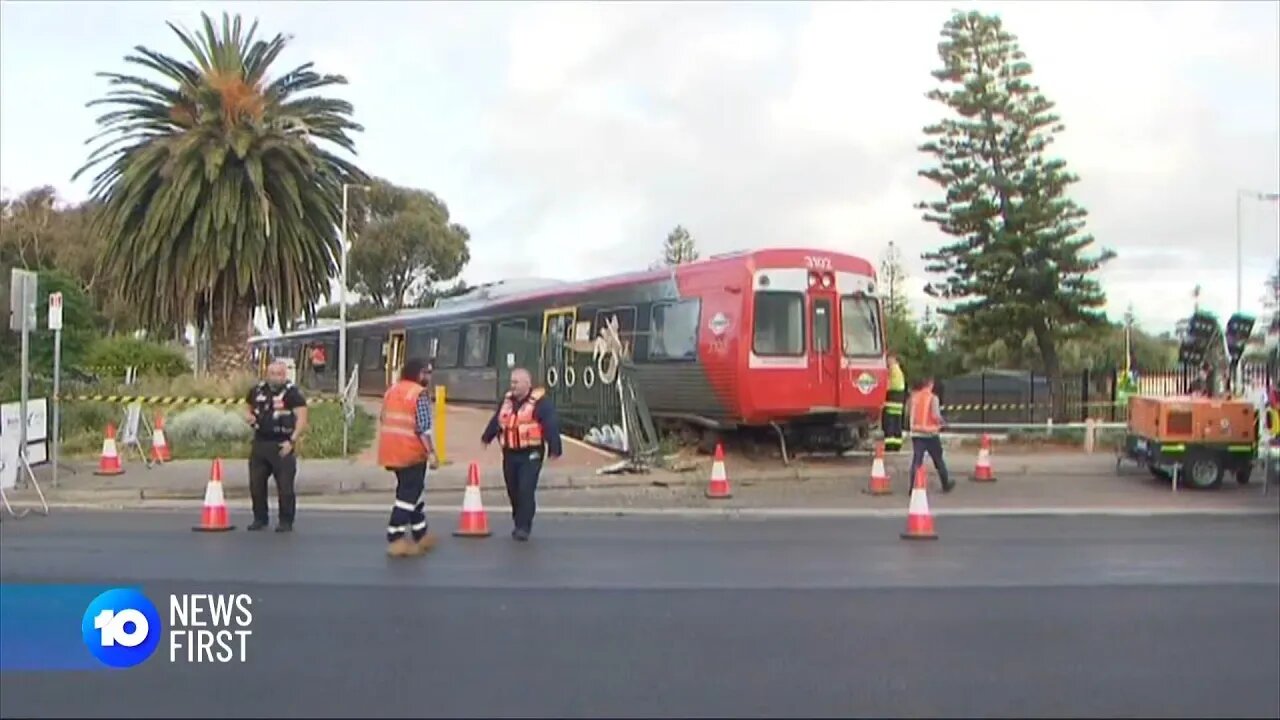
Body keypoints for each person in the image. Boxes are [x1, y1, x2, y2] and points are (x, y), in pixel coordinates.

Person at [481, 367, 563, 541]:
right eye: (511, 382)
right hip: (510, 453)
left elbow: (550, 424)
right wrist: (486, 438)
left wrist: (555, 448)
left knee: (526, 488)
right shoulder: (507, 401)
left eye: (516, 382)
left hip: (531, 453)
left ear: (527, 384)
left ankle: (523, 526)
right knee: (513, 490)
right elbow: (498, 420)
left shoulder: (541, 403)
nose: (512, 386)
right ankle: (518, 520)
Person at [377, 357, 439, 558]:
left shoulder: (392, 390)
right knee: (408, 495)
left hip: (391, 450)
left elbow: (383, 418)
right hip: (411, 452)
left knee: (413, 492)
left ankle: (421, 533)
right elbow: (423, 427)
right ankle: (395, 536)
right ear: (418, 373)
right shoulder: (418, 394)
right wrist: (431, 453)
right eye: (427, 373)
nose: (429, 377)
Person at [243, 360, 309, 532]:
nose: (276, 377)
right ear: (267, 374)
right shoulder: (258, 390)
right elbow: (247, 405)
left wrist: (292, 441)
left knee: (285, 487)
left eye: (279, 374)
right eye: (272, 374)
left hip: (282, 443)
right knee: (256, 485)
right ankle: (260, 519)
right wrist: (248, 416)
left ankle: (286, 521)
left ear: (285, 375)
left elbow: (302, 418)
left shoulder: (292, 393)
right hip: (260, 442)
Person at [906, 376, 954, 493]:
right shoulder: (933, 398)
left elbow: (909, 414)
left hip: (916, 433)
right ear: (930, 384)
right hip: (930, 434)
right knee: (938, 460)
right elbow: (935, 415)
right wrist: (944, 423)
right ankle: (945, 484)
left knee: (917, 461)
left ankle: (912, 487)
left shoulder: (915, 397)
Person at [882, 354, 906, 452]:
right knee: (897, 423)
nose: (887, 361)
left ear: (894, 360)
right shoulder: (899, 370)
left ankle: (890, 446)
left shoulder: (893, 369)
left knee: (889, 423)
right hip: (899, 400)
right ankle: (897, 445)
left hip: (892, 399)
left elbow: (889, 384)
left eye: (889, 359)